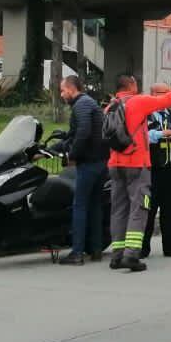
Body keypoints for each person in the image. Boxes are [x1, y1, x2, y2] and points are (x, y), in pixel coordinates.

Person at [106, 73, 171, 273]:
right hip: (137, 165)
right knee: (139, 209)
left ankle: (117, 255)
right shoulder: (138, 102)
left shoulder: (110, 107)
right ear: (131, 85)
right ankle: (131, 255)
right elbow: (167, 100)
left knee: (119, 210)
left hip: (115, 164)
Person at [57, 75, 106, 265]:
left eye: (62, 90)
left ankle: (76, 253)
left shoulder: (82, 104)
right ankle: (95, 250)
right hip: (101, 162)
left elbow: (83, 131)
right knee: (94, 206)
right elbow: (72, 135)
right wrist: (52, 149)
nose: (62, 94)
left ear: (71, 88)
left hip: (89, 164)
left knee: (80, 205)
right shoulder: (89, 103)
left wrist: (73, 156)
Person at [142, 81, 171, 259]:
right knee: (148, 210)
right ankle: (142, 248)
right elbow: (141, 136)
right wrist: (161, 134)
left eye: (170, 94)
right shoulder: (146, 114)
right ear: (153, 94)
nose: (168, 97)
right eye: (164, 94)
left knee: (170, 210)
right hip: (152, 170)